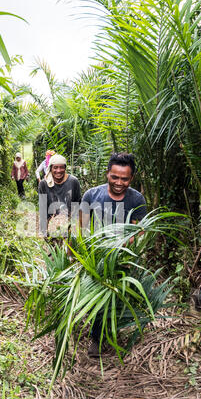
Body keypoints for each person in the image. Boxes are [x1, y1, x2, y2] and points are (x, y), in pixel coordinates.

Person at [79, 152, 147, 357]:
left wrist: (121, 247)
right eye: (114, 177)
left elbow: (139, 231)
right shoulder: (91, 195)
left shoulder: (137, 199)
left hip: (123, 258)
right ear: (107, 173)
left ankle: (111, 333)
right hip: (96, 258)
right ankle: (97, 339)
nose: (119, 182)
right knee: (99, 299)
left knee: (118, 298)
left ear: (131, 178)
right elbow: (81, 227)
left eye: (124, 178)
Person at [38, 154, 81, 238]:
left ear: (65, 168)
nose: (58, 170)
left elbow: (77, 205)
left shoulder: (73, 182)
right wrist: (45, 231)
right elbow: (43, 209)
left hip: (69, 225)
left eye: (62, 167)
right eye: (55, 167)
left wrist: (75, 227)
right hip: (52, 226)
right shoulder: (44, 184)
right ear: (50, 168)